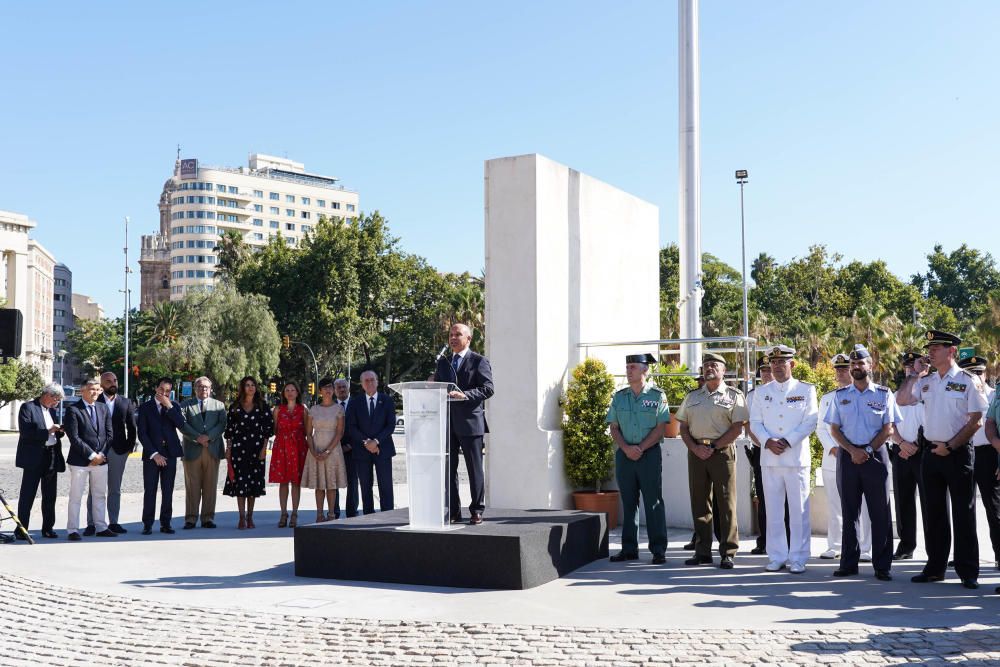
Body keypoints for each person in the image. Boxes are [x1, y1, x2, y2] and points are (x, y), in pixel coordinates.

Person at [897, 330, 988, 589]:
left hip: (957, 453)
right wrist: (915, 374)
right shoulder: (927, 381)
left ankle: (968, 570)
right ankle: (935, 567)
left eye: (936, 347)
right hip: (930, 453)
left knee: (963, 513)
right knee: (933, 512)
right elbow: (902, 400)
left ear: (952, 351)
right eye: (930, 347)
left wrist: (950, 445)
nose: (930, 351)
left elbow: (976, 421)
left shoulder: (968, 380)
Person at [825, 344, 900, 581]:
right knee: (850, 512)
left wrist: (866, 450)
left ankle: (882, 565)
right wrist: (851, 450)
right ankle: (849, 563)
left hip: (875, 457)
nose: (857, 367)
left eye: (861, 363)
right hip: (848, 458)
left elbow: (888, 429)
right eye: (853, 364)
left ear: (871, 365)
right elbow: (834, 429)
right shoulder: (840, 396)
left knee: (880, 513)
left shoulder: (884, 394)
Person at [749, 345, 818, 574]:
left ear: (792, 364)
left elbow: (810, 421)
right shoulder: (761, 392)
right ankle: (777, 556)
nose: (777, 366)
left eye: (782, 362)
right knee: (773, 511)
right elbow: (755, 422)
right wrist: (767, 441)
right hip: (770, 458)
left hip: (795, 458)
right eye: (774, 362)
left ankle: (799, 557)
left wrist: (787, 441)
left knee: (799, 512)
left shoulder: (806, 390)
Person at [676, 352, 749, 569]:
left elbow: (738, 427)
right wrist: (695, 448)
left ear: (723, 370)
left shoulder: (734, 395)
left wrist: (714, 447)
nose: (709, 368)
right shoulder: (692, 397)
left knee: (726, 502)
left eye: (714, 365)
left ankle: (728, 552)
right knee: (699, 501)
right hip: (697, 453)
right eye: (706, 365)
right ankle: (702, 551)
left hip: (722, 452)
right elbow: (683, 427)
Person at [607, 353, 670, 565]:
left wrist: (640, 448)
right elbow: (613, 427)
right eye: (627, 366)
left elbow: (661, 427)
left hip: (649, 455)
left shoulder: (657, 395)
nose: (628, 370)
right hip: (625, 456)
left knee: (653, 502)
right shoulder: (619, 396)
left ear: (645, 370)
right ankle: (628, 549)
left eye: (633, 366)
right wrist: (626, 448)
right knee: (628, 502)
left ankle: (658, 549)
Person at [433, 323, 494, 525]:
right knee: (449, 469)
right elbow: (439, 388)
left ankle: (477, 510)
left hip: (470, 423)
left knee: (474, 469)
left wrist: (465, 395)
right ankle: (453, 510)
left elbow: (488, 389)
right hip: (448, 423)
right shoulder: (443, 363)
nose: (453, 338)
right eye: (451, 334)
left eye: (457, 334)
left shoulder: (479, 361)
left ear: (468, 339)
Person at [816, 354, 873, 560]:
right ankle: (835, 545)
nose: (840, 373)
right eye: (837, 369)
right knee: (835, 504)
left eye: (844, 368)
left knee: (865, 506)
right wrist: (834, 448)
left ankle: (865, 548)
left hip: (863, 457)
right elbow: (821, 428)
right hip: (834, 458)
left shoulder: (868, 393)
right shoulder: (828, 398)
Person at [959, 355, 1000, 569]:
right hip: (963, 453)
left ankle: (999, 555)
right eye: (971, 373)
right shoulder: (958, 396)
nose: (976, 377)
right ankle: (965, 557)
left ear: (986, 374)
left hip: (988, 455)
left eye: (979, 372)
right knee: (964, 510)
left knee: (995, 509)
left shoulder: (996, 396)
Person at [83, 372, 136, 535]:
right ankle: (91, 523)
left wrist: (128, 447)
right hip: (97, 451)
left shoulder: (125, 402)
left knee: (115, 488)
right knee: (94, 489)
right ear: (101, 384)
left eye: (115, 380)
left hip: (119, 451)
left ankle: (114, 522)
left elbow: (132, 427)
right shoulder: (94, 401)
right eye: (108, 381)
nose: (112, 383)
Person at [63, 377, 117, 540]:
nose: (96, 392)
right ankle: (72, 529)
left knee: (100, 495)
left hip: (101, 460)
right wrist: (92, 455)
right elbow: (74, 437)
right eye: (92, 389)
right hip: (80, 462)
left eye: (98, 389)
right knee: (76, 496)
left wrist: (101, 455)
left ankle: (101, 526)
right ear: (83, 391)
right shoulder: (73, 410)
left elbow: (109, 434)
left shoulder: (102, 408)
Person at [15, 383, 66, 539]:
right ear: (48, 395)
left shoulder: (52, 410)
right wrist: (49, 431)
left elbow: (53, 435)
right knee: (27, 495)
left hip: (51, 455)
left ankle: (48, 528)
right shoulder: (28, 407)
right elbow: (26, 433)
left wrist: (60, 431)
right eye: (56, 400)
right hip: (33, 457)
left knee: (50, 495)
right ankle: (22, 529)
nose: (57, 403)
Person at [888, 351, 926, 561]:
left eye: (916, 365)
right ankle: (906, 545)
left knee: (931, 502)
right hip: (901, 451)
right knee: (903, 502)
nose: (912, 369)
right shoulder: (896, 395)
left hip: (924, 452)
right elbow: (890, 425)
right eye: (908, 366)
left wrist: (917, 446)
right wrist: (902, 443)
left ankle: (935, 548)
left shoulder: (929, 390)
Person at [223, 376, 274, 529]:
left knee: (253, 485)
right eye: (247, 385)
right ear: (243, 388)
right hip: (239, 449)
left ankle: (250, 517)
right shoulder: (235, 406)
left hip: (257, 449)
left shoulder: (263, 406)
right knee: (240, 484)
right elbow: (229, 431)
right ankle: (241, 517)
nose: (250, 387)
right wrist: (228, 449)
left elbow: (268, 430)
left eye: (253, 385)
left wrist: (264, 449)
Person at [137, 377, 185, 535]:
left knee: (168, 490)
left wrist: (169, 406)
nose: (163, 393)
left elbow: (181, 425)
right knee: (150, 490)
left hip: (170, 453)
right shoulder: (145, 407)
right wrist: (154, 454)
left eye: (167, 391)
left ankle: (166, 523)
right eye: (161, 390)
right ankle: (148, 524)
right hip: (152, 455)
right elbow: (142, 433)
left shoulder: (174, 406)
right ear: (156, 389)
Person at [179, 376, 227, 530]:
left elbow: (222, 424)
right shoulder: (185, 405)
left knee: (210, 486)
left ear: (210, 389)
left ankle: (208, 518)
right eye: (200, 387)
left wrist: (209, 437)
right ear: (195, 389)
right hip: (192, 450)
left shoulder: (219, 405)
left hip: (212, 450)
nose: (203, 389)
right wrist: (197, 437)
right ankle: (191, 519)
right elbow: (182, 425)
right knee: (192, 486)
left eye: (206, 387)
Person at [346, 370, 397, 514]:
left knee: (385, 485)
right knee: (365, 486)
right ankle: (368, 515)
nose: (369, 383)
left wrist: (376, 441)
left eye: (372, 380)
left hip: (383, 449)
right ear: (362, 384)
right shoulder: (355, 402)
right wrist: (367, 443)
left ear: (377, 381)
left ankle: (388, 514)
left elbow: (390, 425)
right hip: (362, 450)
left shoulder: (387, 400)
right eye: (366, 381)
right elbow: (351, 426)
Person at [744, 358, 778, 555]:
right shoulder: (753, 394)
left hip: (784, 448)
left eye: (769, 369)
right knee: (763, 497)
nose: (766, 373)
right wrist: (762, 443)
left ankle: (786, 540)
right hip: (761, 449)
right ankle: (764, 540)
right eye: (763, 370)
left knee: (784, 499)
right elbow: (748, 424)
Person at [302, 377, 346, 522]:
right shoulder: (313, 409)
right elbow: (308, 432)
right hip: (316, 448)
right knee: (319, 484)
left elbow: (340, 432)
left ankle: (332, 514)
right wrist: (313, 451)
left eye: (330, 387)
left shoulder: (339, 409)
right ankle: (319, 514)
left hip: (333, 451)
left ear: (333, 390)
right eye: (324, 388)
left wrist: (327, 451)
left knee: (331, 484)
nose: (328, 390)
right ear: (320, 391)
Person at [269, 381, 311, 528]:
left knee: (296, 483)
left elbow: (307, 431)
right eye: (287, 390)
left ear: (297, 392)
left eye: (293, 390)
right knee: (283, 482)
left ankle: (294, 513)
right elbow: (274, 429)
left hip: (298, 447)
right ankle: (283, 513)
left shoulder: (303, 409)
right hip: (282, 447)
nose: (290, 392)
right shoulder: (278, 410)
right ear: (283, 393)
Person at [332, 378, 357, 518]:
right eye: (339, 387)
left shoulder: (357, 404)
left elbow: (362, 426)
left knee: (353, 483)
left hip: (354, 451)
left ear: (348, 388)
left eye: (344, 387)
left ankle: (352, 513)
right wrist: (337, 446)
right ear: (335, 390)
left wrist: (351, 445)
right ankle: (334, 512)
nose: (342, 389)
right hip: (335, 451)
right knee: (333, 483)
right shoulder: (330, 406)